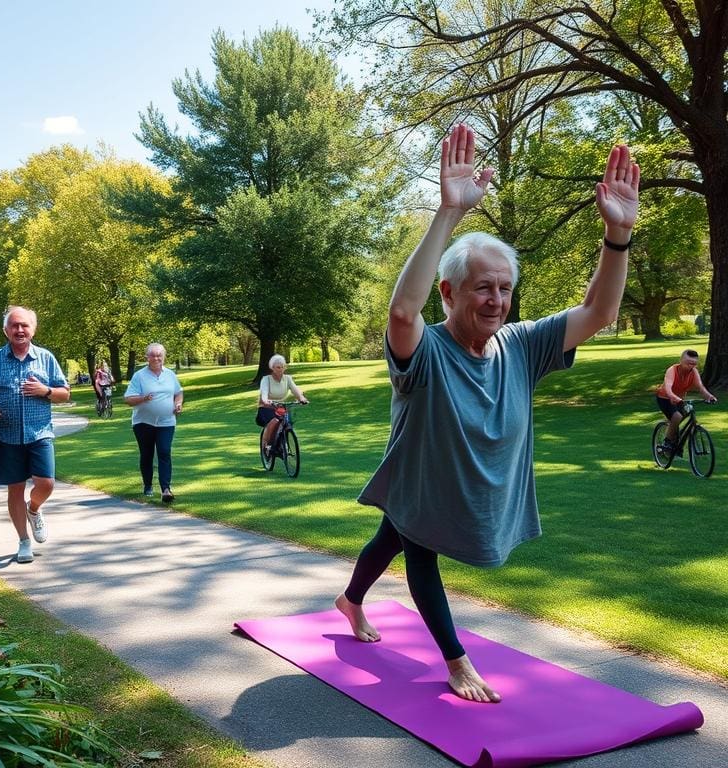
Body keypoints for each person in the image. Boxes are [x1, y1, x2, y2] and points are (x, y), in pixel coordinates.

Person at [334, 124, 640, 704]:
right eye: (481, 288)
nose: (495, 300)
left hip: (442, 485)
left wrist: (616, 234)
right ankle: (456, 660)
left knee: (389, 538)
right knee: (415, 546)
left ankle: (350, 601)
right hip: (423, 482)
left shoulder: (522, 346)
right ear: (448, 294)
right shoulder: (426, 353)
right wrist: (447, 214)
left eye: (503, 288)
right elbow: (402, 312)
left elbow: (600, 311)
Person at [0, 306, 70, 564]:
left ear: (33, 329)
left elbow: (64, 393)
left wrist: (44, 390)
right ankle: (24, 541)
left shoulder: (45, 358)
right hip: (6, 436)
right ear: (6, 331)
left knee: (46, 483)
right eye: (14, 326)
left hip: (40, 433)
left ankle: (33, 509)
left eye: (24, 325)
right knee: (15, 490)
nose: (19, 330)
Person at [124, 343, 184, 502]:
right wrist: (143, 398)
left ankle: (166, 489)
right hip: (143, 423)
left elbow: (178, 393)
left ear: (164, 357)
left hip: (167, 422)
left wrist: (178, 404)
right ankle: (148, 485)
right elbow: (128, 399)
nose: (156, 358)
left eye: (159, 355)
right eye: (153, 355)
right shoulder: (139, 376)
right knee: (147, 454)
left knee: (164, 452)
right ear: (147, 358)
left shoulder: (170, 374)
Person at [655, 349, 718, 455]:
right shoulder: (672, 370)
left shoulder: (694, 372)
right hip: (665, 398)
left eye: (694, 364)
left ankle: (675, 440)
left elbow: (700, 387)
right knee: (677, 417)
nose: (691, 366)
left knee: (680, 418)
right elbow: (668, 387)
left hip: (679, 399)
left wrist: (709, 396)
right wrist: (672, 396)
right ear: (681, 361)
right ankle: (667, 442)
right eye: (689, 363)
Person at [256, 354, 308, 456]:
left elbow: (295, 390)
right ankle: (266, 446)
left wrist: (301, 398)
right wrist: (266, 400)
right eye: (278, 367)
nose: (280, 369)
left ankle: (281, 443)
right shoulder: (266, 379)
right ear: (272, 368)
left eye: (282, 367)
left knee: (287, 421)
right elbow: (264, 392)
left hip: (280, 407)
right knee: (274, 421)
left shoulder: (288, 379)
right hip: (266, 407)